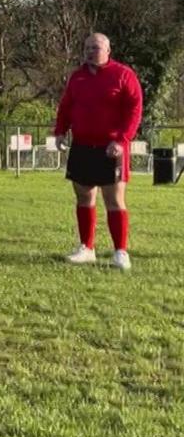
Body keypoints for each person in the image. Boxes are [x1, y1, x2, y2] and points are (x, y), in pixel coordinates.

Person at [54, 32, 143, 270]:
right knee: (84, 196)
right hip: (82, 146)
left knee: (114, 200)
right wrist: (60, 131)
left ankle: (120, 252)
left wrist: (122, 140)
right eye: (87, 48)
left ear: (108, 50)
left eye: (95, 47)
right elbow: (66, 106)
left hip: (111, 148)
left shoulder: (123, 75)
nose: (90, 51)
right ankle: (87, 248)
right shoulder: (77, 77)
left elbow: (135, 110)